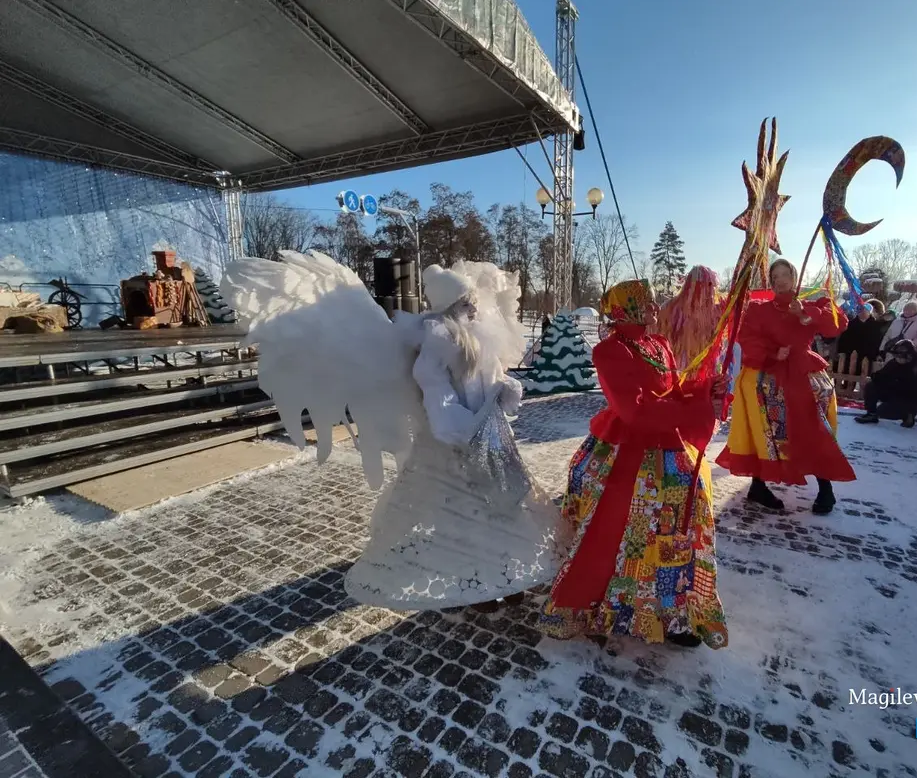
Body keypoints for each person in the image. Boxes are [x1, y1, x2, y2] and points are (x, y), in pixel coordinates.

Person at [222, 253, 569, 614]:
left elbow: (491, 377)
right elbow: (437, 395)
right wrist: (460, 429)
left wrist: (504, 389)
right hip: (453, 445)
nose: (473, 308)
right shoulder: (435, 344)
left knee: (506, 507)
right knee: (467, 516)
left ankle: (507, 574)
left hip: (490, 438)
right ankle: (479, 585)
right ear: (450, 307)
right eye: (465, 303)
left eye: (473, 302)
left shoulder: (475, 336)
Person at [540, 279, 728, 650]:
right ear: (627, 309)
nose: (656, 307)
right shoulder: (609, 352)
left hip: (668, 445)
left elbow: (672, 389)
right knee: (622, 530)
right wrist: (694, 409)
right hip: (625, 452)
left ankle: (674, 611)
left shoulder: (657, 344)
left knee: (679, 528)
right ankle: (611, 604)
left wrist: (705, 390)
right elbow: (634, 410)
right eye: (647, 303)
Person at [716, 258, 856, 515]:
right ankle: (758, 485)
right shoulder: (759, 309)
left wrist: (805, 314)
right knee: (766, 431)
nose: (780, 280)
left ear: (794, 276)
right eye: (775, 276)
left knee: (813, 429)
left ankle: (825, 487)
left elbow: (838, 323)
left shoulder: (814, 305)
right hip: (770, 376)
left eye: (785, 274)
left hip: (803, 375)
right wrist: (771, 354)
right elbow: (746, 337)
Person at [854, 339, 917, 428]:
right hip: (896, 392)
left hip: (912, 398)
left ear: (909, 356)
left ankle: (908, 414)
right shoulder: (895, 363)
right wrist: (882, 380)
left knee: (884, 411)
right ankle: (871, 414)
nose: (897, 359)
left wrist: (907, 388)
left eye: (899, 356)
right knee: (871, 386)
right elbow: (879, 376)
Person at [836, 303, 883, 374]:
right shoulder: (850, 324)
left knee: (864, 375)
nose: (862, 312)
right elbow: (843, 339)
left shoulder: (875, 326)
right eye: (860, 310)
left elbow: (878, 341)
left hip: (867, 355)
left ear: (869, 312)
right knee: (849, 375)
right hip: (851, 353)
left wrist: (877, 354)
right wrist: (841, 351)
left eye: (864, 310)